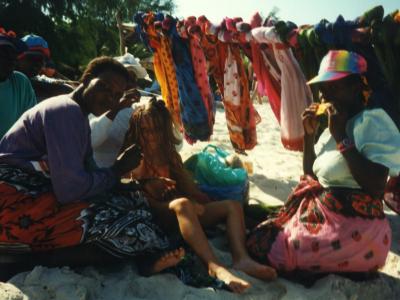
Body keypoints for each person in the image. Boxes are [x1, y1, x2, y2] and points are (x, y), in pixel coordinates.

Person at [0, 56, 183, 276]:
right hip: (12, 204)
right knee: (134, 230)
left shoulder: (77, 116)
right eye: (104, 87)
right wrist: (117, 169)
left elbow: (90, 174)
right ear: (86, 80)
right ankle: (30, 263)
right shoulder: (64, 111)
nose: (109, 98)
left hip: (31, 196)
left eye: (116, 95)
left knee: (133, 203)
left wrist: (138, 185)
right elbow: (71, 190)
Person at [246, 50, 400, 274]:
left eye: (335, 86)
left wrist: (341, 137)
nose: (325, 95)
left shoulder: (371, 122)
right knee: (258, 227)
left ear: (357, 86)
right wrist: (309, 137)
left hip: (358, 234)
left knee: (268, 246)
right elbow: (313, 177)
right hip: (327, 221)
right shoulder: (335, 124)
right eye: (323, 88)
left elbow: (376, 188)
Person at [120, 98, 277, 294]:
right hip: (155, 214)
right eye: (145, 131)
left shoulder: (169, 156)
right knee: (183, 204)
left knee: (231, 206)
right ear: (136, 131)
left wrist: (201, 200)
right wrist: (152, 188)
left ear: (165, 131)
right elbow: (130, 195)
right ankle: (214, 266)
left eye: (156, 130)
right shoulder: (137, 158)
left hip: (181, 211)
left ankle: (241, 258)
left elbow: (188, 187)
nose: (151, 137)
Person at [0, 28, 36, 139]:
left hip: (12, 153)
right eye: (5, 55)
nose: (11, 60)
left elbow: (32, 123)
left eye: (14, 56)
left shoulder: (20, 82)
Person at [16, 34, 74, 101]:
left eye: (42, 59)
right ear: (18, 58)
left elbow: (66, 88)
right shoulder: (6, 82)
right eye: (32, 58)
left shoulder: (40, 80)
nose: (37, 64)